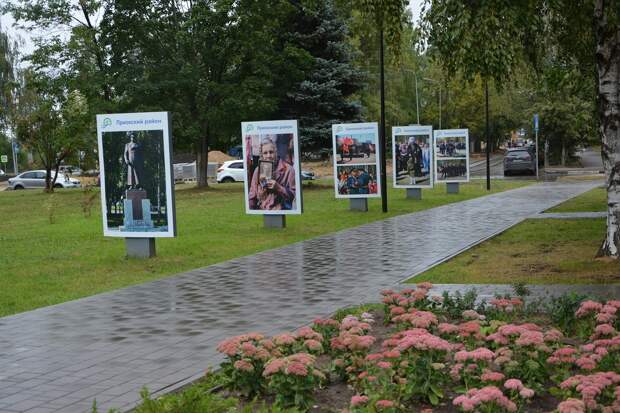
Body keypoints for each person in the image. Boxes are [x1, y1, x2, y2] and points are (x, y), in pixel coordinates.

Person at [248, 136, 296, 210]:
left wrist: (279, 187)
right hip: (263, 210)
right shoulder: (258, 171)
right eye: (265, 153)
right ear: (262, 155)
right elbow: (252, 197)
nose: (268, 156)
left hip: (281, 209)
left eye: (271, 152)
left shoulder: (289, 169)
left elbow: (294, 195)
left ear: (276, 152)